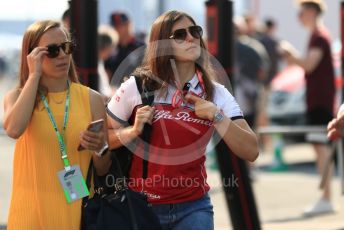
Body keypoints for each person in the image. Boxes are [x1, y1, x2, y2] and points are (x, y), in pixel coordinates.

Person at [106, 10, 258, 229]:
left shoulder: (216, 93)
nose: (191, 38)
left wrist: (217, 116)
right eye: (180, 35)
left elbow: (251, 150)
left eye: (195, 31)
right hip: (142, 206)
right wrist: (132, 131)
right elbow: (103, 140)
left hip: (194, 208)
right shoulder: (137, 87)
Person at [3, 20, 111, 229]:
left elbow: (103, 168)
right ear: (32, 56)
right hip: (29, 214)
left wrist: (100, 147)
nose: (62, 55)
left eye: (67, 47)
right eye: (52, 50)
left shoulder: (92, 99)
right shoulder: (17, 97)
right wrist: (33, 75)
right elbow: (14, 129)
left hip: (77, 212)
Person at [283, 0, 336, 216]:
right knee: (319, 148)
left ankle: (326, 198)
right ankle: (326, 197)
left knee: (321, 149)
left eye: (302, 12)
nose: (299, 16)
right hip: (318, 101)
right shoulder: (317, 36)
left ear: (312, 12)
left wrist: (291, 54)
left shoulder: (320, 36)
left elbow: (309, 64)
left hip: (321, 102)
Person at [104, 11, 145, 88]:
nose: (116, 29)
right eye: (114, 26)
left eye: (119, 26)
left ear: (129, 25)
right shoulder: (109, 48)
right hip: (114, 94)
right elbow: (106, 72)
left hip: (136, 93)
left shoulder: (141, 47)